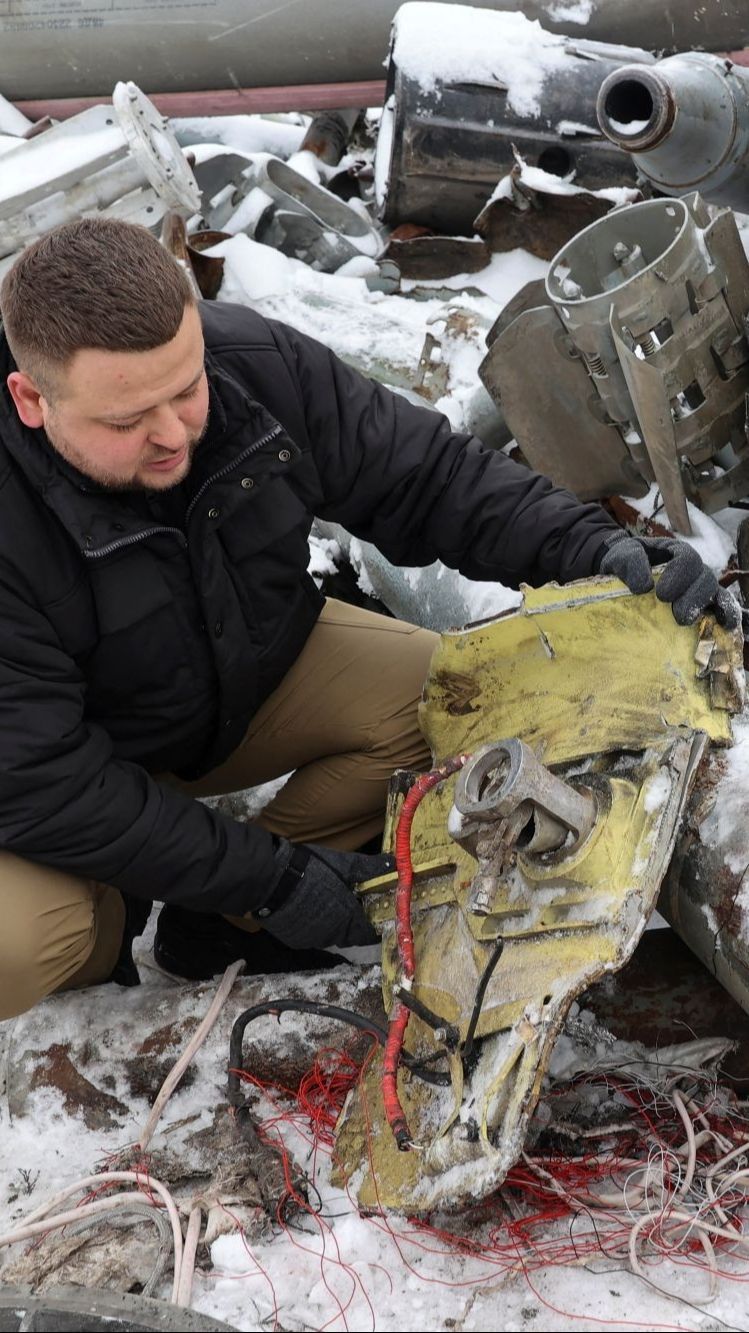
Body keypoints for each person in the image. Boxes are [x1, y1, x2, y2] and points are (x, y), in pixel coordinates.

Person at [0, 217, 738, 1020]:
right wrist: (274, 875)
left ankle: (217, 927)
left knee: (461, 701)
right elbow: (41, 782)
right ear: (32, 398)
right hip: (49, 766)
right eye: (127, 420)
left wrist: (593, 548)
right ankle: (100, 981)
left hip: (239, 673)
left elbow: (427, 474)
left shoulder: (253, 365)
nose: (175, 431)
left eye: (186, 388)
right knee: (31, 937)